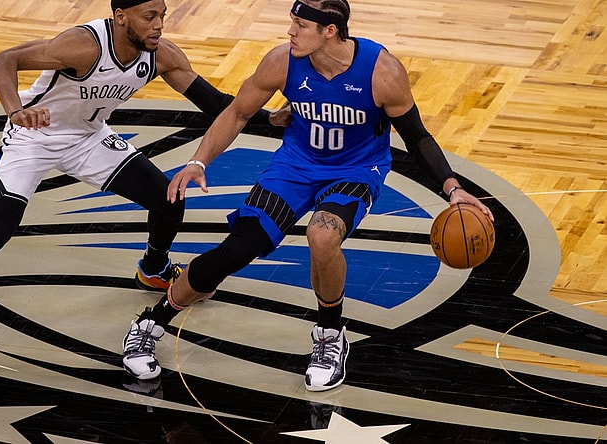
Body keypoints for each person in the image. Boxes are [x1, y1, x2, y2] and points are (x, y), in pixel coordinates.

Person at [0, 0, 281, 369]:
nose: (158, 25)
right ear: (121, 18)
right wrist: (15, 111)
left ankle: (153, 268)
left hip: (88, 138)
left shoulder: (162, 55)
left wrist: (271, 122)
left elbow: (217, 105)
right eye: (149, 17)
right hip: (34, 137)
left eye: (162, 16)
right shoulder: (83, 46)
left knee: (169, 198)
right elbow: (2, 60)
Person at [121, 0, 494, 391]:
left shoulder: (382, 71)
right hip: (295, 166)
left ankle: (330, 335)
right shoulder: (282, 61)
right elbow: (236, 113)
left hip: (355, 170)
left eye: (300, 25)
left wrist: (453, 189)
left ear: (329, 30)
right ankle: (150, 324)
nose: (290, 32)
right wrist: (199, 161)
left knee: (323, 235)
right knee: (237, 249)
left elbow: (417, 137)